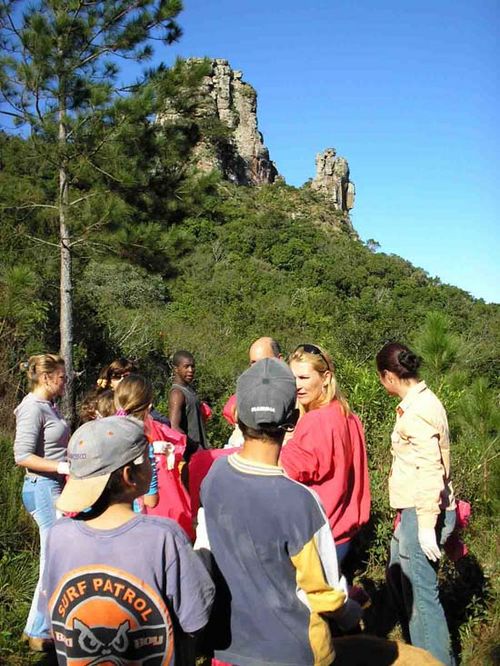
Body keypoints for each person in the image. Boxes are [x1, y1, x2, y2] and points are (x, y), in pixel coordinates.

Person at [195, 358, 361, 666]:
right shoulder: (302, 503)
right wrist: (351, 613)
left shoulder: (214, 476)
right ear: (292, 419)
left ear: (238, 416)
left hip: (227, 645)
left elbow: (205, 554)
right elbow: (322, 592)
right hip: (291, 651)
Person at [39, 416, 215, 665]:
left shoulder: (59, 535)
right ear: (130, 475)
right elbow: (196, 619)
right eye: (148, 460)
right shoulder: (164, 537)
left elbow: (53, 620)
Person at [376, 342, 456, 665]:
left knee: (422, 599)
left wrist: (425, 524)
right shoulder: (421, 402)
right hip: (415, 510)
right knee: (398, 576)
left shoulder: (418, 411)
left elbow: (430, 468)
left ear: (388, 376)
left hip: (422, 511)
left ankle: (433, 660)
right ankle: (416, 652)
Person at [280, 344, 370, 564]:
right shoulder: (347, 415)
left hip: (320, 535)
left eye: (304, 377)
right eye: (294, 378)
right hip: (343, 533)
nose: (297, 386)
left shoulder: (316, 421)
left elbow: (285, 470)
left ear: (326, 377)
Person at [13, 354, 70, 652]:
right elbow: (21, 455)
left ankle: (32, 628)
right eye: (61, 376)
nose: (65, 381)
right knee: (53, 558)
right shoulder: (32, 408)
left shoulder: (49, 406)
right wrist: (60, 468)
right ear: (47, 377)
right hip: (43, 487)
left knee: (54, 556)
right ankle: (39, 631)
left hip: (52, 486)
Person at [169, 350, 207, 460]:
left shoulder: (188, 390)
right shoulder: (177, 393)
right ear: (176, 369)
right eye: (186, 367)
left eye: (192, 366)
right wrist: (195, 446)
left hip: (199, 453)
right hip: (189, 457)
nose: (190, 370)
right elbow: (174, 427)